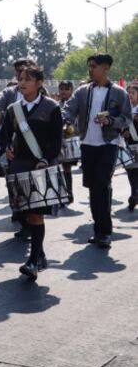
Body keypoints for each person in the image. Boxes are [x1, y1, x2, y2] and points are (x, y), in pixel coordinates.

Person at [63, 53, 133, 248]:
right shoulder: (82, 92)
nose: (90, 69)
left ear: (105, 68)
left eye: (94, 66)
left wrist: (111, 121)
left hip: (108, 144)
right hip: (87, 144)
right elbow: (69, 109)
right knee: (94, 188)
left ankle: (104, 232)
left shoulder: (119, 93)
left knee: (101, 183)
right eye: (90, 66)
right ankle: (98, 227)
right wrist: (65, 120)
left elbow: (126, 118)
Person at [1, 66, 63, 279]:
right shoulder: (13, 109)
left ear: (39, 83)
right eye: (20, 78)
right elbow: (4, 135)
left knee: (36, 213)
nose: (22, 82)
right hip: (19, 165)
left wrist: (46, 159)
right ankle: (40, 253)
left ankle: (33, 261)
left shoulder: (52, 108)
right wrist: (6, 148)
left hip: (41, 166)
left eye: (28, 79)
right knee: (26, 213)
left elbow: (57, 140)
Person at [123, 85, 138, 211]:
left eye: (132, 92)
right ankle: (134, 194)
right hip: (128, 144)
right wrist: (123, 132)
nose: (130, 95)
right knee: (130, 170)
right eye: (128, 93)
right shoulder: (125, 109)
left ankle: (135, 194)